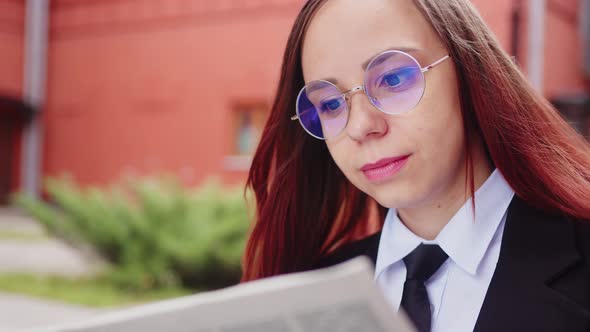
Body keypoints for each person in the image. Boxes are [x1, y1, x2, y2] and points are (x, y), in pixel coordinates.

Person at [241, 0, 590, 331]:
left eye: (393, 79)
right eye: (331, 104)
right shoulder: (309, 296)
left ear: (471, 70)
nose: (361, 126)